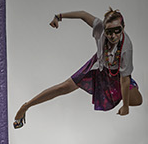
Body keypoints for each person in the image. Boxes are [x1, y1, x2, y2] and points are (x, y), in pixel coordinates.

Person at [13, 8, 141, 128]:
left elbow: (124, 80)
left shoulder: (126, 47)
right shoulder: (99, 27)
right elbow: (82, 15)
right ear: (104, 29)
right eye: (109, 32)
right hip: (98, 66)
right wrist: (59, 16)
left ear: (123, 27)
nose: (113, 36)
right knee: (64, 87)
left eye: (117, 30)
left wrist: (125, 106)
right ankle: (26, 106)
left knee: (137, 101)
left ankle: (124, 92)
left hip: (117, 75)